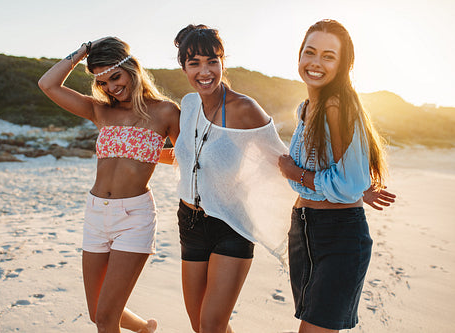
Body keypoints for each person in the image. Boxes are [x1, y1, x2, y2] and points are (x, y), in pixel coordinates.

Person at [38, 37, 179, 333]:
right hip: (96, 214)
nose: (111, 87)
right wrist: (81, 52)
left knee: (105, 319)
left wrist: (151, 154)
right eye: (102, 82)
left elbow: (185, 157)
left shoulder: (165, 112)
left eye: (115, 76)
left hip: (135, 217)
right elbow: (47, 85)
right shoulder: (100, 110)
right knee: (97, 312)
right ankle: (144, 328)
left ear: (132, 70)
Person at [168, 24, 296, 333]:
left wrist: (345, 187)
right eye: (194, 63)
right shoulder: (188, 105)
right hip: (189, 222)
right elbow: (187, 154)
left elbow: (282, 162)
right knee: (200, 325)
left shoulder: (244, 108)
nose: (205, 71)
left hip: (231, 226)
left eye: (212, 61)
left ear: (223, 61)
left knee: (212, 324)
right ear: (183, 67)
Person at [278, 19, 395, 332]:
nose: (316, 63)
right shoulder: (306, 108)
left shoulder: (335, 103)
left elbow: (343, 181)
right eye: (310, 52)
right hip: (303, 232)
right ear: (299, 55)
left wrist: (295, 172)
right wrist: (357, 187)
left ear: (344, 64)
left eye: (329, 56)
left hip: (338, 235)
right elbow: (346, 174)